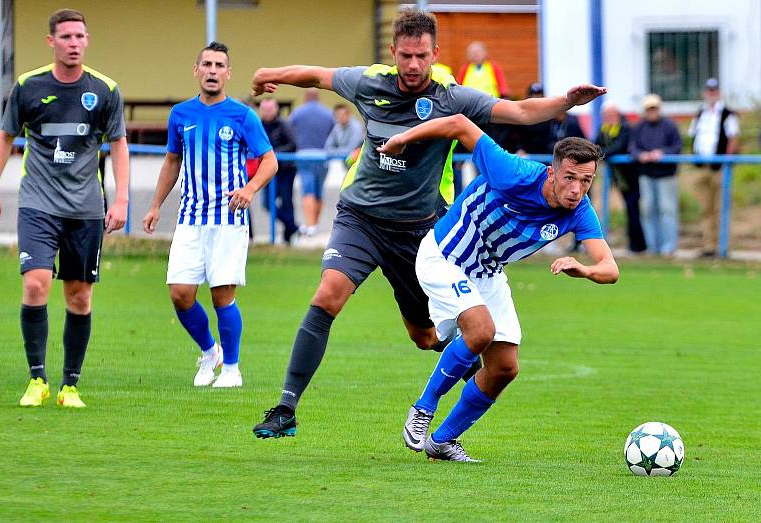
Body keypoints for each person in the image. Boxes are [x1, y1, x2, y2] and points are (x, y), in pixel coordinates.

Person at [249, 8, 606, 439]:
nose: (413, 65)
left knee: (424, 336)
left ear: (435, 53)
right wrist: (269, 73)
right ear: (393, 52)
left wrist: (567, 101)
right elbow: (317, 75)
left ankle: (466, 351)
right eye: (405, 56)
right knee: (328, 295)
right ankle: (285, 408)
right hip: (360, 217)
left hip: (418, 231)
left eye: (422, 56)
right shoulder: (369, 82)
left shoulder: (451, 96)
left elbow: (521, 112)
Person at [378, 119, 618, 461]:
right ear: (552, 173)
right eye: (570, 178)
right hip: (444, 255)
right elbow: (461, 124)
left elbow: (610, 269)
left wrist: (584, 269)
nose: (577, 189)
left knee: (505, 367)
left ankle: (442, 441)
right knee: (480, 330)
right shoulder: (513, 172)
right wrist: (402, 137)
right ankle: (422, 408)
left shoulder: (579, 210)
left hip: (487, 274)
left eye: (586, 180)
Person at [0, 9, 129, 408]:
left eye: (80, 36)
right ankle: (37, 379)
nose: (74, 43)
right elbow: (3, 139)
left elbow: (118, 144)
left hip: (85, 209)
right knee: (35, 283)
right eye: (66, 37)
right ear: (52, 42)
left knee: (79, 297)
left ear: (87, 40)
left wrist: (120, 199)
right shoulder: (29, 86)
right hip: (37, 204)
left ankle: (70, 386)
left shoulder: (105, 89)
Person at [142, 42, 277, 388]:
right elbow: (172, 161)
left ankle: (231, 368)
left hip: (228, 220)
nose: (213, 70)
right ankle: (209, 351)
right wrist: (156, 204)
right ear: (196, 70)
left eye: (220, 65)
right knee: (179, 293)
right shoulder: (180, 115)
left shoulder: (242, 116)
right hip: (190, 218)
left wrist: (249, 189)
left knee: (222, 296)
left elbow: (270, 161)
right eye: (207, 64)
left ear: (228, 74)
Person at [688, 78, 740, 257]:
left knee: (721, 207)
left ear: (719, 93)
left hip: (719, 167)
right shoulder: (700, 113)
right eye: (709, 91)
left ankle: (723, 246)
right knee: (705, 208)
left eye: (714, 91)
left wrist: (727, 161)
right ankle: (708, 245)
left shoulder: (727, 113)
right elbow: (693, 135)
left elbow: (733, 138)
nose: (711, 94)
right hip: (702, 166)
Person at [629, 94, 682, 256]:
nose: (652, 111)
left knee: (667, 210)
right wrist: (641, 155)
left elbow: (677, 147)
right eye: (649, 109)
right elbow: (632, 147)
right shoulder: (639, 127)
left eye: (654, 108)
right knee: (648, 210)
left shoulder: (670, 126)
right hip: (646, 174)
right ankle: (653, 247)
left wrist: (662, 153)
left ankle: (668, 247)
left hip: (666, 174)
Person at [597, 102, 645, 253]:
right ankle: (635, 244)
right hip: (619, 178)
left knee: (633, 210)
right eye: (606, 115)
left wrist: (600, 153)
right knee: (630, 210)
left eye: (611, 115)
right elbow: (594, 144)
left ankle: (638, 245)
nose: (608, 118)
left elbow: (618, 147)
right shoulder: (604, 129)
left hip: (632, 176)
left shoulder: (625, 128)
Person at [288, 88, 335, 237]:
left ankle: (309, 225)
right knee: (319, 190)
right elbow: (335, 133)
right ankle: (315, 224)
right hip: (323, 155)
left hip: (304, 155)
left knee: (307, 189)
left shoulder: (297, 113)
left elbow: (289, 132)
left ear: (305, 97)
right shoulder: (328, 114)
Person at [258, 98, 299, 244]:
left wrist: (272, 153)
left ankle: (289, 236)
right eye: (265, 110)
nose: (267, 113)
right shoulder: (259, 125)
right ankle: (294, 227)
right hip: (268, 171)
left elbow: (293, 144)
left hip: (286, 170)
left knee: (287, 202)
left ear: (276, 110)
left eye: (270, 109)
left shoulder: (284, 124)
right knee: (267, 203)